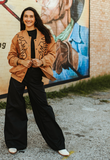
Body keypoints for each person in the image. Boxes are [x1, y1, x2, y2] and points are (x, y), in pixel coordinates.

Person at [4, 7, 70, 157]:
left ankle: (58, 144)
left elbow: (52, 54)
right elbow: (10, 57)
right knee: (15, 108)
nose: (28, 19)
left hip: (35, 76)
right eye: (25, 16)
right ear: (23, 19)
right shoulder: (17, 36)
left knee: (43, 108)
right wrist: (21, 60)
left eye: (31, 16)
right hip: (18, 75)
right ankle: (15, 142)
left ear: (35, 19)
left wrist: (41, 61)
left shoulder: (45, 35)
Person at [36, 0, 89, 82]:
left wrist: (72, 57)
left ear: (67, 3)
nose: (42, 5)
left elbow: (100, 68)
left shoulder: (86, 35)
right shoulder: (46, 43)